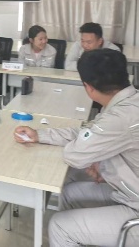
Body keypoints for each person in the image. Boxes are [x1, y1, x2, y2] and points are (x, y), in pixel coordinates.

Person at [14, 49, 139, 246]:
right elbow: (86, 133)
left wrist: (94, 155)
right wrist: (40, 135)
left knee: (60, 227)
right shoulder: (127, 102)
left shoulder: (120, 117)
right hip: (129, 191)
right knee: (70, 193)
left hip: (135, 207)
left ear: (88, 87)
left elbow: (75, 155)